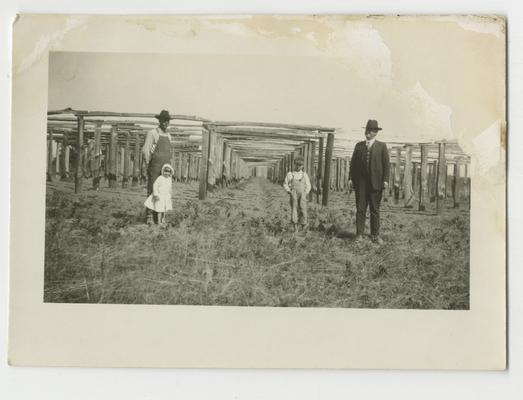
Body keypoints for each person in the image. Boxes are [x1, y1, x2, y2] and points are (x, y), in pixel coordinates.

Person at [348, 120, 390, 244]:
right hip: (361, 183)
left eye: (371, 130)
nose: (367, 132)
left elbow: (386, 165)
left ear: (375, 133)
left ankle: (375, 235)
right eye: (367, 129)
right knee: (360, 209)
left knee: (375, 210)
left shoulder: (382, 146)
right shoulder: (359, 146)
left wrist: (385, 180)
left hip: (376, 183)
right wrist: (350, 178)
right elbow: (353, 164)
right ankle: (359, 234)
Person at [142, 110, 173, 224]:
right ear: (159, 120)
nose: (166, 122)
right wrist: (148, 164)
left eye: (167, 120)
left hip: (166, 168)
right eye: (164, 120)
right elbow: (146, 150)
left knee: (164, 191)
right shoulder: (153, 133)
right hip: (155, 166)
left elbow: (170, 152)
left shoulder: (169, 136)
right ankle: (149, 216)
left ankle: (160, 217)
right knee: (153, 190)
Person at [283, 156, 311, 232]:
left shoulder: (304, 174)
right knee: (294, 209)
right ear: (294, 164)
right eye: (297, 164)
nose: (298, 166)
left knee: (303, 209)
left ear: (302, 166)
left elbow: (308, 185)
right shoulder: (290, 174)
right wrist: (289, 191)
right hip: (294, 194)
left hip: (302, 195)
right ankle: (295, 228)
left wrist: (305, 193)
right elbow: (285, 184)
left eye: (300, 165)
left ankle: (303, 226)